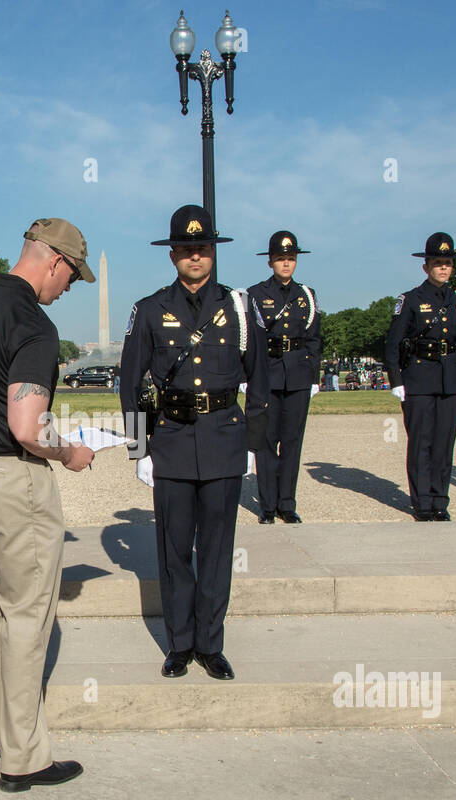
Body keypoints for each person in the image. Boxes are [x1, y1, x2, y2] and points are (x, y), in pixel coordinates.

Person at [0, 217, 94, 792]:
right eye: (71, 278)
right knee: (28, 617)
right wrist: (71, 452)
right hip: (12, 478)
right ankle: (23, 757)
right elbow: (29, 426)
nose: (68, 288)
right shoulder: (34, 323)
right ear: (53, 260)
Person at [119, 204, 270, 681]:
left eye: (201, 248)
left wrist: (253, 444)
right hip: (173, 440)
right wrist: (139, 449)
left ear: (213, 252)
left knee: (219, 549)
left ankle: (211, 643)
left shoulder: (240, 308)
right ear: (172, 256)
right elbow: (129, 382)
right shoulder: (148, 310)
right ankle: (179, 643)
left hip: (225, 437)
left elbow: (261, 381)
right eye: (185, 250)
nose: (194, 257)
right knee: (174, 549)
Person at [384, 232, 456, 522]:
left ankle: (439, 501)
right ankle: (422, 502)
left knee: (445, 442)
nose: (443, 268)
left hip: (451, 379)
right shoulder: (410, 299)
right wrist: (396, 380)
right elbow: (394, 342)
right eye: (437, 263)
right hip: (419, 377)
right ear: (426, 267)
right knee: (421, 442)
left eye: (448, 263)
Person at [247, 230, 321, 523]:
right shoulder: (255, 294)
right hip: (267, 373)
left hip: (299, 374)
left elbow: (314, 339)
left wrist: (313, 375)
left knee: (292, 441)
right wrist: (248, 374)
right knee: (266, 441)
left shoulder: (307, 296)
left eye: (290, 258)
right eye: (280, 259)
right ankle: (267, 505)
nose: (286, 264)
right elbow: (250, 339)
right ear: (270, 262)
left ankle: (286, 503)